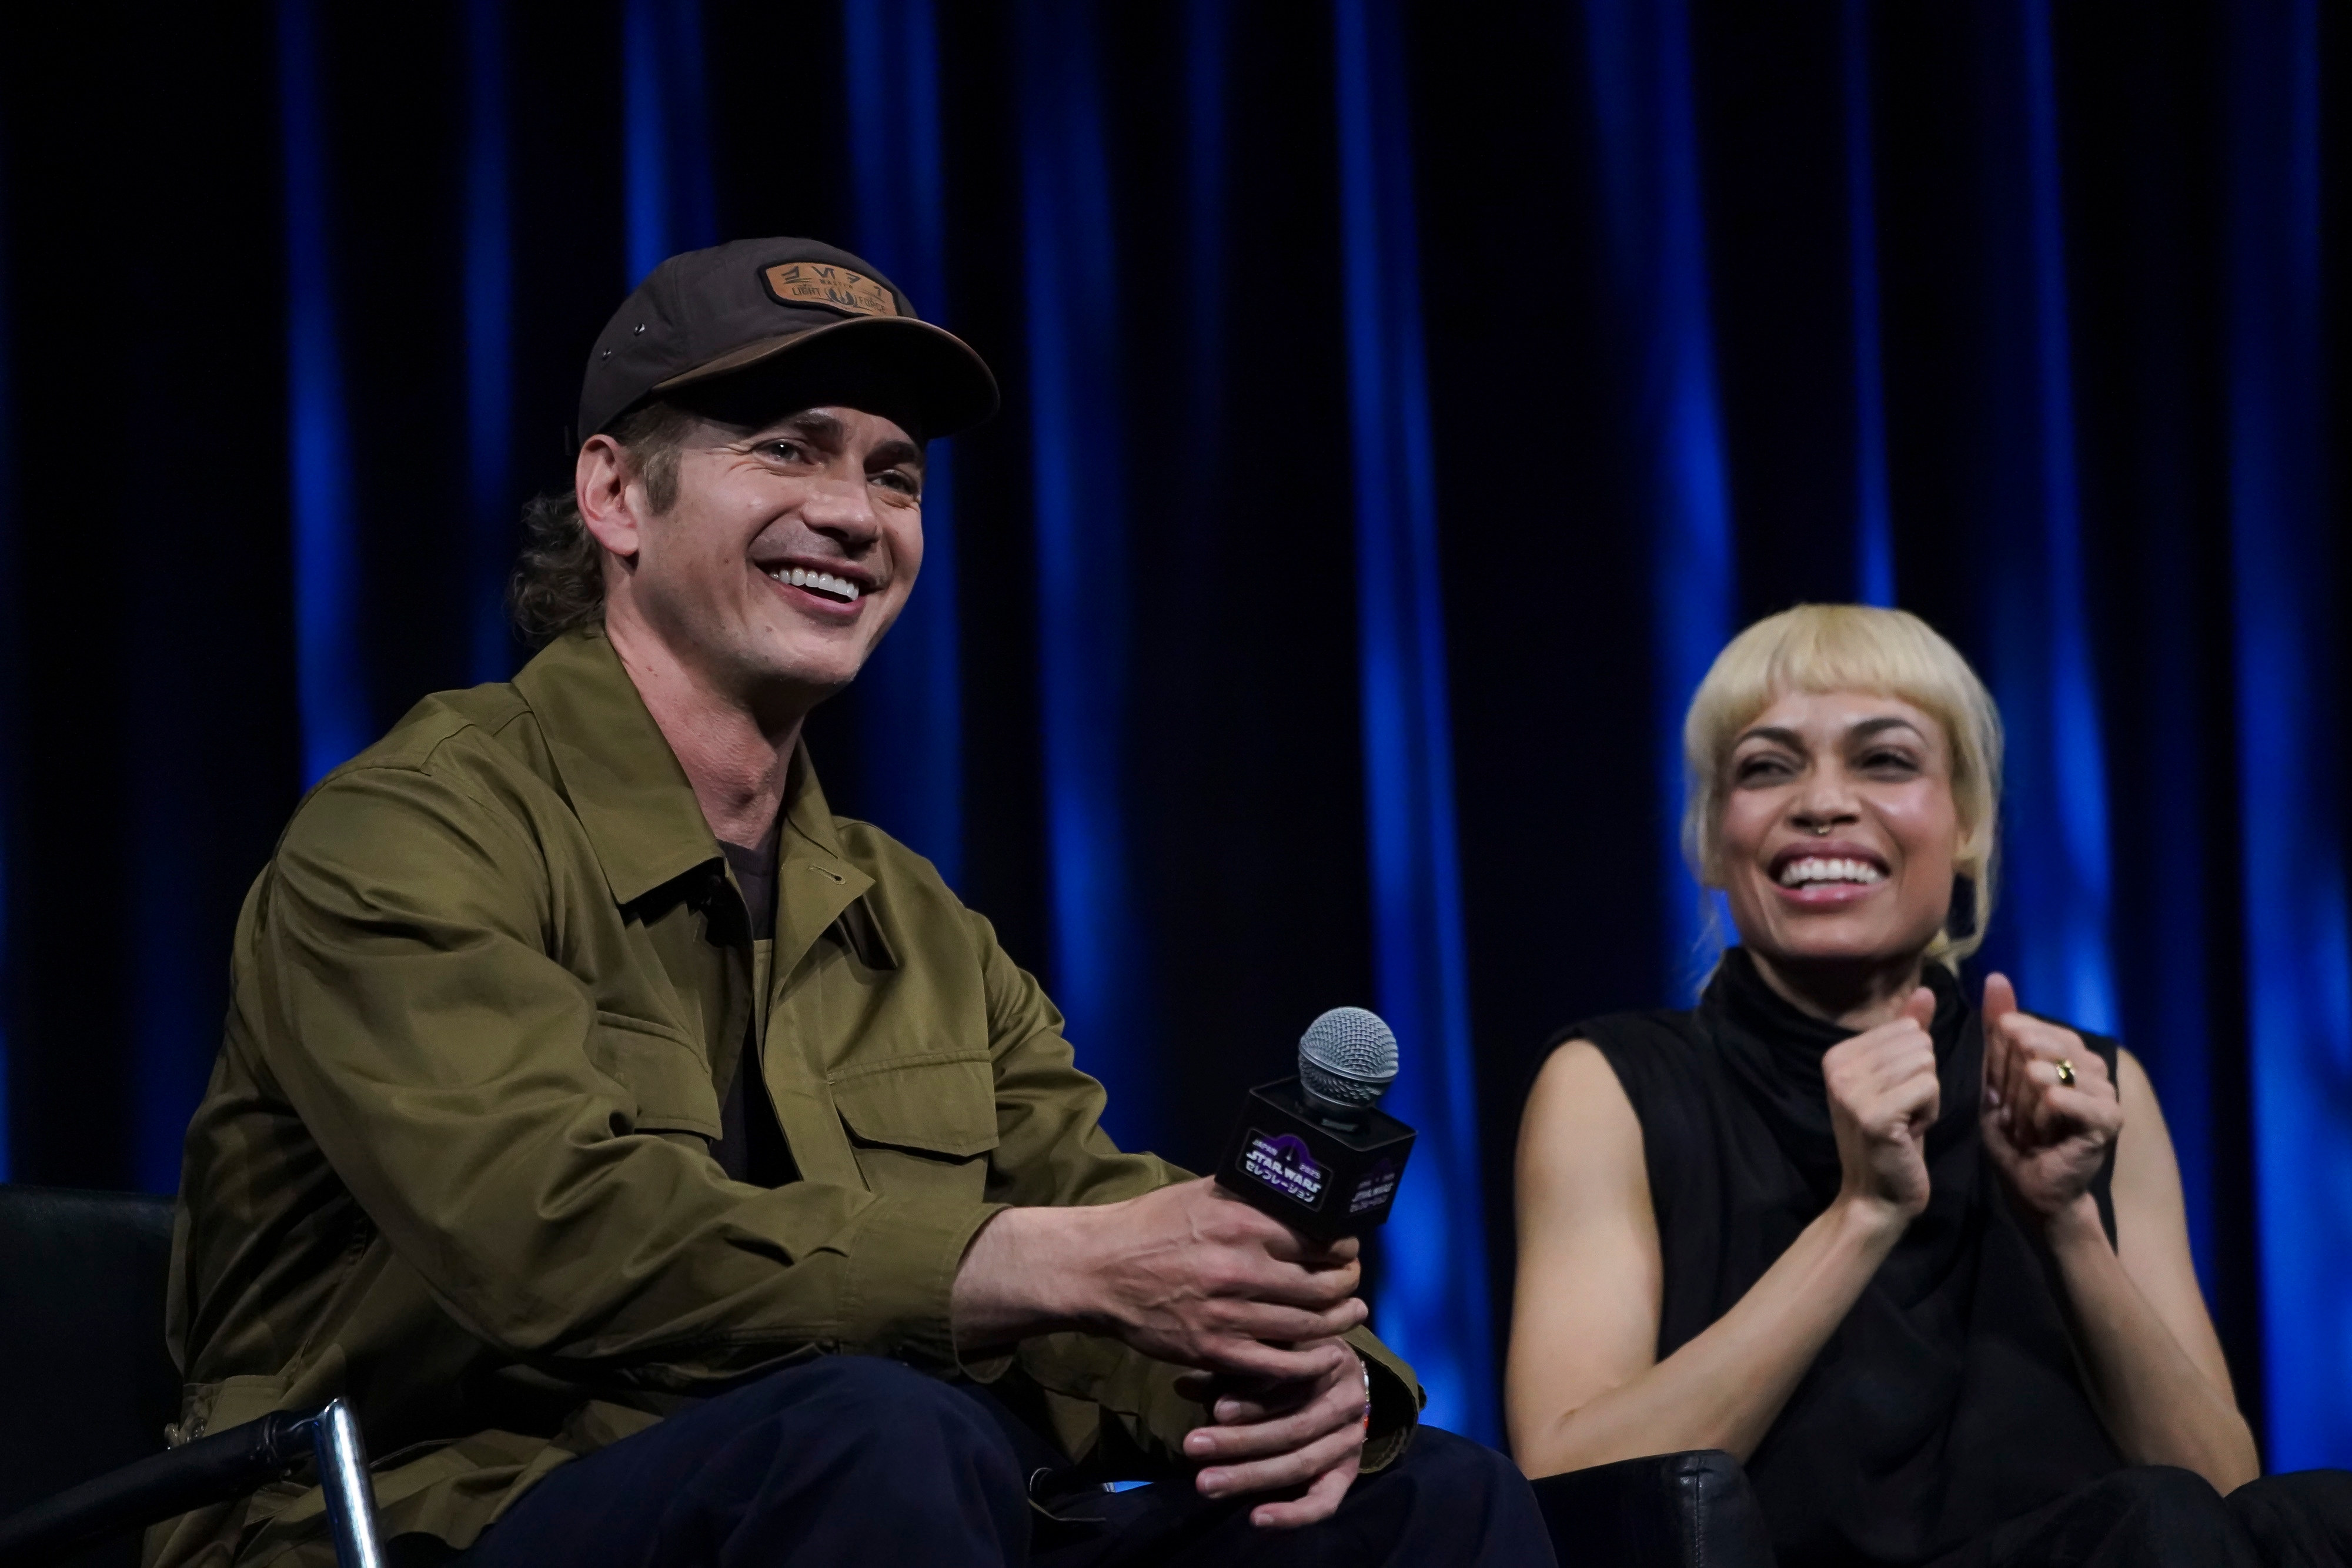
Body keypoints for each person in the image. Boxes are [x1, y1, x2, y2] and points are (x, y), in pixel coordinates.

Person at [154, 239, 1549, 1568]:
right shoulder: (410, 833)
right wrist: (1031, 1260)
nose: (853, 514)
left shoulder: (917, 920)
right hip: (447, 1507)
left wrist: (1282, 1366)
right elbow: (551, 1234)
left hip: (884, 1491)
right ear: (615, 496)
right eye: (786, 447)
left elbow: (1081, 1213)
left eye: (895, 476)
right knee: (880, 1431)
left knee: (1424, 1501)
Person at [1506, 604, 2352, 1568]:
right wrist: (1861, 1215)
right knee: (2156, 1523)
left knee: (2316, 1516)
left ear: (1970, 827)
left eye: (1884, 760)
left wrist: (2068, 1221)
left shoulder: (2082, 1084)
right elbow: (1569, 1479)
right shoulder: (1608, 1085)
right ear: (1709, 838)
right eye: (1768, 767)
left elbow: (2225, 1490)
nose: (1822, 802)